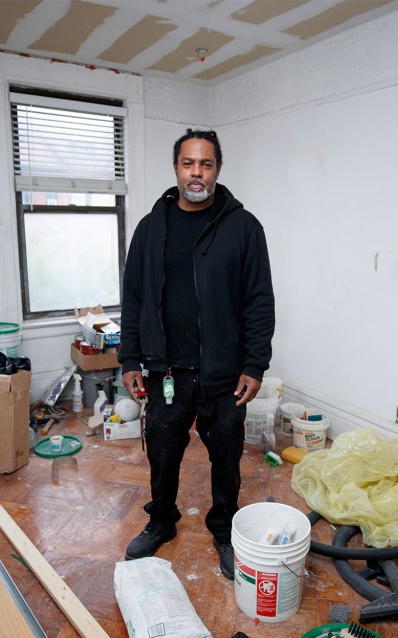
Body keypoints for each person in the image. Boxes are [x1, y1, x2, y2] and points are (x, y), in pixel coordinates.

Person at [118, 128, 275, 579]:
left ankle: (224, 530)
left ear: (217, 170)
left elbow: (259, 302)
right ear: (176, 168)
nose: (196, 172)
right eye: (189, 163)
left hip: (223, 372)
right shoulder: (151, 229)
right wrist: (131, 359)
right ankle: (161, 521)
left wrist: (254, 364)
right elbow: (134, 298)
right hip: (165, 368)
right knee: (163, 453)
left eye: (206, 164)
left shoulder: (244, 228)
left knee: (225, 456)